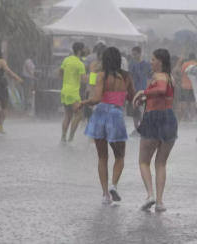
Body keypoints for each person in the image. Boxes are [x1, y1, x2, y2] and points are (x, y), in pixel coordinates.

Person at [79, 47, 135, 204]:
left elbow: (96, 99)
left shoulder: (101, 76)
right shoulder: (126, 77)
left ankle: (105, 194)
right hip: (116, 116)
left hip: (100, 115)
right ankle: (114, 185)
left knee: (102, 157)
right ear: (118, 60)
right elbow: (132, 97)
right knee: (120, 156)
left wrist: (84, 102)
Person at [133, 48, 178, 212]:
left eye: (153, 59)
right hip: (169, 120)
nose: (150, 62)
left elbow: (160, 89)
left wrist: (141, 92)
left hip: (154, 120)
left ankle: (150, 195)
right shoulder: (171, 78)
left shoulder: (159, 77)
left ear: (161, 62)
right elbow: (164, 96)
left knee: (144, 161)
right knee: (161, 163)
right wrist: (145, 98)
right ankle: (159, 202)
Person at [59, 42, 89, 142]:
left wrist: (69, 78)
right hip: (73, 92)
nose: (85, 50)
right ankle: (70, 139)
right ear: (80, 50)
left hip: (64, 91)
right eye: (84, 49)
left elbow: (60, 73)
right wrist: (96, 76)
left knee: (68, 116)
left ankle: (63, 138)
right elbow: (84, 79)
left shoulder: (66, 60)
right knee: (79, 115)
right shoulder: (80, 63)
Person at [128, 46, 151, 136]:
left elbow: (149, 78)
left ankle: (142, 128)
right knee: (134, 111)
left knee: (142, 110)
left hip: (143, 90)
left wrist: (147, 90)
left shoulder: (146, 65)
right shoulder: (132, 64)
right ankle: (136, 128)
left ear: (140, 53)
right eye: (132, 54)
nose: (133, 56)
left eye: (135, 54)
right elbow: (130, 77)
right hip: (134, 90)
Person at [180, 53, 197, 121]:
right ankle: (192, 116)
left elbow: (181, 73)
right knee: (193, 101)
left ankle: (185, 116)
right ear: (194, 58)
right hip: (193, 86)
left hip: (184, 85)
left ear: (189, 58)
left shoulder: (184, 65)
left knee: (184, 101)